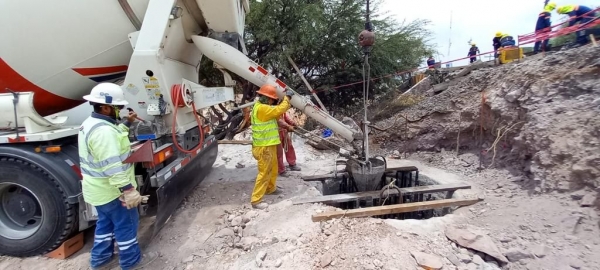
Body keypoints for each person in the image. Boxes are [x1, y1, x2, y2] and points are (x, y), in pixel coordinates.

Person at [78, 83, 157, 270]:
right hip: (113, 192)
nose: (120, 111)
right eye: (118, 108)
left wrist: (127, 123)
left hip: (98, 192)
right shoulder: (103, 132)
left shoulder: (92, 124)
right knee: (127, 225)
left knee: (104, 225)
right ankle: (130, 263)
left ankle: (100, 260)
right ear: (105, 107)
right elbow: (112, 166)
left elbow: (114, 138)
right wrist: (128, 191)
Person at [250, 84, 293, 209]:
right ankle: (256, 200)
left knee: (273, 168)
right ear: (266, 98)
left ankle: (270, 188)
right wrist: (288, 97)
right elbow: (279, 110)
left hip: (268, 145)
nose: (272, 101)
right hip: (264, 147)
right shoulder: (262, 108)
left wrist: (287, 126)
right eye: (271, 99)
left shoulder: (262, 108)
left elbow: (275, 118)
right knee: (264, 173)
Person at [277, 112, 301, 176]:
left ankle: (292, 164)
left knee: (289, 147)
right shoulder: (271, 108)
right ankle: (281, 170)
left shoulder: (280, 107)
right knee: (279, 152)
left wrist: (293, 123)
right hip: (275, 133)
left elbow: (285, 117)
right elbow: (278, 120)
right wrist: (288, 126)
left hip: (283, 131)